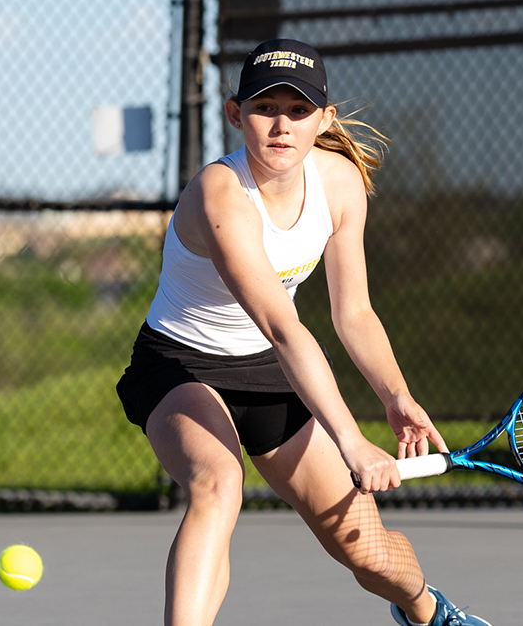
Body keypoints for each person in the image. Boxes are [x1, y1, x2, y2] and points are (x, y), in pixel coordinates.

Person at [116, 38, 491, 626]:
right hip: (181, 367)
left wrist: (397, 399)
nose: (282, 126)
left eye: (299, 111)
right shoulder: (221, 194)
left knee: (365, 551)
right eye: (266, 109)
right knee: (218, 484)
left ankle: (428, 612)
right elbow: (284, 327)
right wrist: (350, 439)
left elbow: (355, 314)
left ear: (325, 118)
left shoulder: (340, 185)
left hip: (269, 369)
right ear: (237, 114)